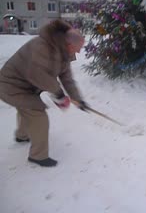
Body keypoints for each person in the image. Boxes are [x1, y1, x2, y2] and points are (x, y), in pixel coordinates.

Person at [0, 19, 88, 167]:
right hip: (10, 85)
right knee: (37, 113)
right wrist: (58, 93)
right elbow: (37, 75)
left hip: (26, 86)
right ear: (68, 44)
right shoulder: (42, 46)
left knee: (26, 108)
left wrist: (78, 99)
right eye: (77, 48)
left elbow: (67, 79)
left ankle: (22, 136)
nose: (79, 52)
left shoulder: (63, 53)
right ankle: (38, 156)